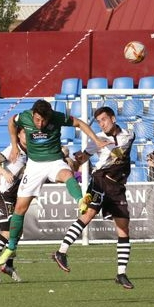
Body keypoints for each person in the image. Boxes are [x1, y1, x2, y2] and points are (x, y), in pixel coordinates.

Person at [0, 99, 108, 266]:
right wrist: (14, 145)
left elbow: (79, 123)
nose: (40, 124)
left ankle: (80, 200)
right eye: (37, 120)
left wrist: (96, 140)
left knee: (67, 174)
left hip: (55, 160)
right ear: (32, 115)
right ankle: (11, 247)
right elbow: (11, 121)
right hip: (34, 165)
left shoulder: (57, 117)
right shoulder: (24, 117)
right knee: (19, 209)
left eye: (43, 120)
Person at [51, 106, 137, 289]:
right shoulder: (97, 139)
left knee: (123, 228)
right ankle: (61, 252)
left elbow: (119, 153)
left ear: (113, 119)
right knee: (88, 215)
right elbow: (81, 161)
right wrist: (74, 161)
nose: (102, 124)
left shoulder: (128, 136)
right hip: (100, 180)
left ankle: (121, 274)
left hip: (117, 186)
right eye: (98, 121)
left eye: (104, 119)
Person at [0, 127, 27, 283]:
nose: (27, 136)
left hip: (14, 197)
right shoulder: (13, 149)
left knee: (16, 232)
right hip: (1, 195)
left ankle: (8, 265)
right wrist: (3, 172)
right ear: (19, 135)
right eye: (24, 133)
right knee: (8, 232)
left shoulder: (31, 153)